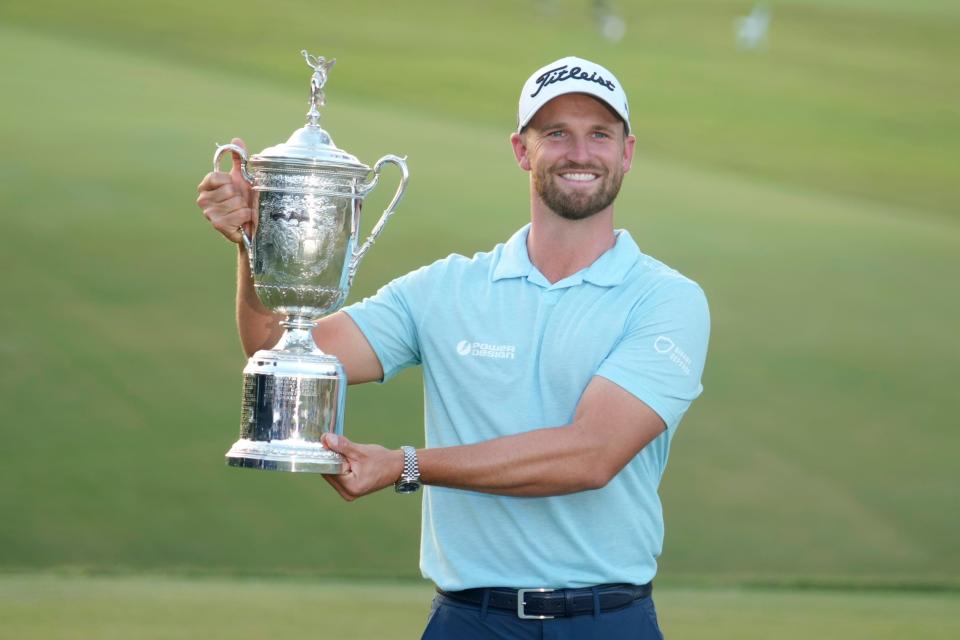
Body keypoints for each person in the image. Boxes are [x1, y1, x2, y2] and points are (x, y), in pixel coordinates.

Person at [197, 55, 710, 639]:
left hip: (607, 621)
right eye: (556, 134)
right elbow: (276, 348)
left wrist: (407, 466)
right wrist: (260, 244)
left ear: (627, 153)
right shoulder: (445, 289)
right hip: (470, 620)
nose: (579, 153)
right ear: (522, 150)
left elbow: (590, 456)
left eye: (599, 134)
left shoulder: (666, 299)